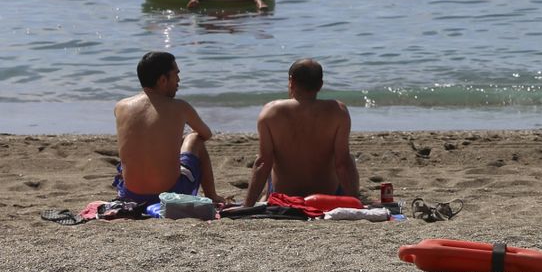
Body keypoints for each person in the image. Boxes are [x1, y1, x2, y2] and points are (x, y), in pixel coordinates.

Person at [112, 50, 226, 204]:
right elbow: (206, 134)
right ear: (163, 80)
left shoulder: (121, 107)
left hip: (131, 194)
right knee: (195, 138)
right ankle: (212, 195)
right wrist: (177, 141)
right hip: (170, 193)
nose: (179, 80)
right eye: (176, 74)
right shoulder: (180, 107)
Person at [243, 58, 359, 206]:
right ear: (320, 85)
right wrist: (357, 203)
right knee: (349, 158)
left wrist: (247, 205)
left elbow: (263, 164)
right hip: (327, 193)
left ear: (291, 81)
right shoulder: (338, 111)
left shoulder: (270, 112)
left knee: (267, 158)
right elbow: (342, 164)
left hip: (284, 195)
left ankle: (266, 197)